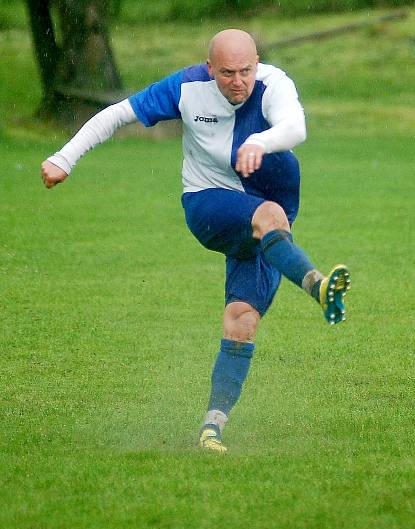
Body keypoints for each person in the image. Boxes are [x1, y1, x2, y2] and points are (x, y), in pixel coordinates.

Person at [41, 29, 351, 454]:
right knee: (269, 217)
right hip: (207, 204)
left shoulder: (274, 83)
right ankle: (317, 285)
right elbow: (117, 114)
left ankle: (212, 427)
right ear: (210, 69)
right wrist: (64, 157)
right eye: (226, 73)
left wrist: (260, 140)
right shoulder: (187, 88)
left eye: (245, 70)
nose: (238, 81)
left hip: (266, 213)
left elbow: (295, 127)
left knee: (242, 320)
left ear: (256, 63)